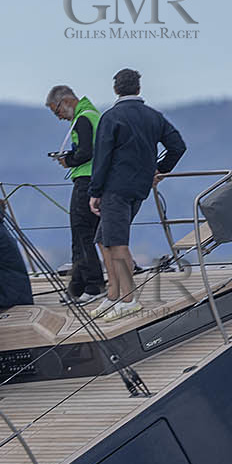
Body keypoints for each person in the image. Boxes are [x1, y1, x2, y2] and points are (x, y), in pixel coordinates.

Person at [88, 68, 187, 322]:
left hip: (114, 189)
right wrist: (160, 169)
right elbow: (178, 146)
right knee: (103, 239)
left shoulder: (111, 117)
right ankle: (113, 295)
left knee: (117, 242)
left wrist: (95, 191)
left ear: (115, 89)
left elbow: (102, 158)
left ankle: (128, 300)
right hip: (139, 188)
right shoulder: (154, 116)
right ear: (139, 89)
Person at [45, 84, 106, 303]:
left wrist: (67, 160)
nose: (59, 117)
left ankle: (94, 285)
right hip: (94, 178)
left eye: (57, 111)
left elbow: (86, 152)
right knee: (79, 234)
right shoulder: (92, 115)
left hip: (85, 179)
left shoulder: (83, 119)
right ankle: (77, 287)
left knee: (82, 233)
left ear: (67, 101)